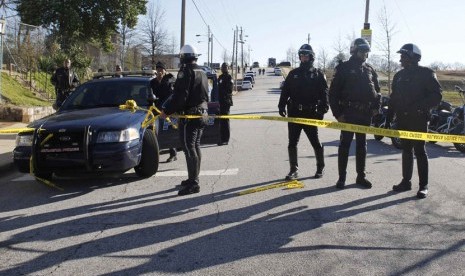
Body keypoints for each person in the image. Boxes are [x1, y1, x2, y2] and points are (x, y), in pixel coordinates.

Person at [388, 44, 442, 199]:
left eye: (403, 56)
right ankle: (406, 182)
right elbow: (394, 98)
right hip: (402, 119)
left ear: (413, 57)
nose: (400, 59)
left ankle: (423, 186)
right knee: (406, 150)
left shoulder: (427, 73)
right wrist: (388, 117)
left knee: (420, 151)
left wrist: (420, 107)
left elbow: (437, 96)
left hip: (418, 119)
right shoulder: (399, 76)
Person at [329, 38, 381, 189]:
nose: (364, 54)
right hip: (348, 114)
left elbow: (377, 91)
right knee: (344, 145)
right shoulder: (343, 68)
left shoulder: (370, 69)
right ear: (354, 50)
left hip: (365, 115)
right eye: (362, 51)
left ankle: (361, 177)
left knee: (361, 146)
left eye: (366, 52)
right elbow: (333, 94)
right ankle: (342, 178)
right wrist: (338, 114)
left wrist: (376, 107)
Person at [160, 44, 209, 196]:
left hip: (191, 115)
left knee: (189, 147)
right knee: (195, 145)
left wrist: (167, 111)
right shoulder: (203, 71)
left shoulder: (185, 71)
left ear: (183, 57)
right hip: (203, 113)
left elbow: (180, 96)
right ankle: (193, 178)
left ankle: (194, 183)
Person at [278, 44, 329, 180]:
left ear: (311, 57)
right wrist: (281, 106)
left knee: (315, 142)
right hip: (294, 113)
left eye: (306, 56)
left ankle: (320, 167)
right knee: (292, 142)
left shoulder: (318, 74)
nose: (303, 58)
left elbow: (325, 95)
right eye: (301, 56)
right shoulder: (293, 74)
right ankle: (293, 169)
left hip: (311, 114)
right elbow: (285, 91)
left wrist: (322, 111)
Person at [150, 61, 177, 162]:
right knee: (157, 131)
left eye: (161, 69)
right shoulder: (153, 82)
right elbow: (151, 95)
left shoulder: (171, 80)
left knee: (169, 131)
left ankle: (173, 153)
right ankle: (156, 152)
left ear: (165, 70)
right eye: (158, 69)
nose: (159, 71)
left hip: (168, 110)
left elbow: (174, 95)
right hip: (157, 110)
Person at [217, 62, 233, 145]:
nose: (223, 68)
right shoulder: (220, 77)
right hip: (219, 101)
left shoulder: (229, 77)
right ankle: (221, 138)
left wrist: (222, 90)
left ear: (227, 68)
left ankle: (226, 139)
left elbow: (229, 90)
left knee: (225, 121)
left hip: (226, 102)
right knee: (221, 121)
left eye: (225, 67)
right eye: (222, 67)